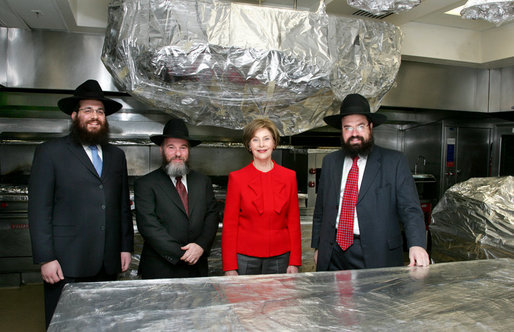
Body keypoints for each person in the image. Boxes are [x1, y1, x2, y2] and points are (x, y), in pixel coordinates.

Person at [28, 79, 134, 328]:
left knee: (103, 324)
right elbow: (39, 210)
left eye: (100, 111)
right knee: (66, 325)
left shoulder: (116, 156)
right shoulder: (50, 152)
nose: (95, 116)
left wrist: (125, 246)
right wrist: (46, 258)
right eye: (88, 110)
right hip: (66, 263)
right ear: (74, 115)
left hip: (107, 262)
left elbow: (121, 207)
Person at [311, 93, 429, 271]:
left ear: (370, 127)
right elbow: (320, 210)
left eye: (360, 126)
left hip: (376, 252)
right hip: (333, 251)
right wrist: (319, 246)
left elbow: (410, 208)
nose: (354, 134)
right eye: (348, 128)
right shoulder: (330, 162)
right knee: (332, 298)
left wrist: (417, 244)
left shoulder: (394, 161)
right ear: (342, 131)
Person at [135, 118, 219, 279]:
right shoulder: (146, 184)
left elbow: (212, 216)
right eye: (171, 147)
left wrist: (200, 246)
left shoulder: (203, 181)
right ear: (161, 150)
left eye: (183, 147)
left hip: (197, 267)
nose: (178, 153)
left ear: (189, 151)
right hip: (160, 269)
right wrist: (183, 254)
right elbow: (149, 226)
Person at [222, 118, 302, 275]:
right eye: (255, 140)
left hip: (281, 256)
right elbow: (230, 225)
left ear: (274, 143)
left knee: (279, 300)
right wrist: (229, 266)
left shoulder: (289, 177)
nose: (261, 145)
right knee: (244, 300)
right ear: (249, 145)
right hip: (245, 257)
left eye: (266, 139)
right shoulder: (236, 178)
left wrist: (295, 261)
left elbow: (293, 221)